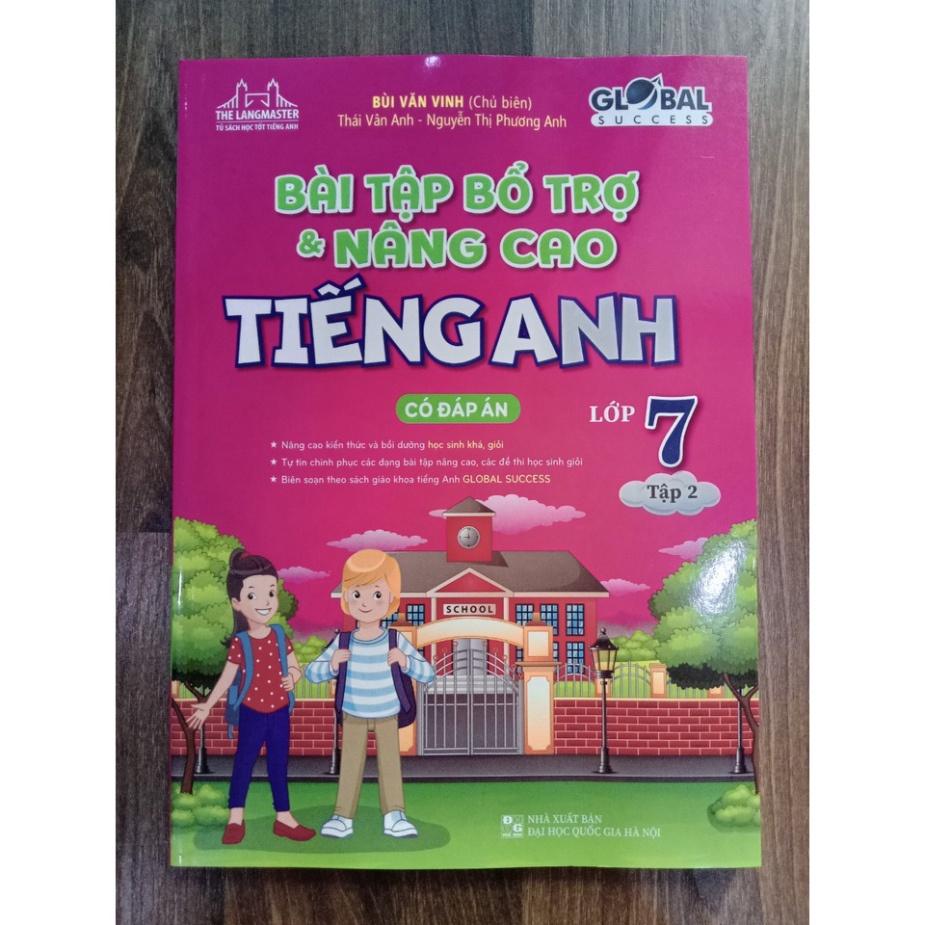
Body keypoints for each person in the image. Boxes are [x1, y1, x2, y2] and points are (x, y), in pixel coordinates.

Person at [189, 548, 315, 845]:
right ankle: (236, 818)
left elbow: (295, 667)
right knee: (244, 763)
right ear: (237, 602)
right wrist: (207, 705)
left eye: (270, 593)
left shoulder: (280, 635)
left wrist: (292, 677)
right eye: (253, 595)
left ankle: (284, 818)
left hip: (280, 712)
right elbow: (227, 677)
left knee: (278, 765)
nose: (264, 602)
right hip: (252, 712)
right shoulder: (241, 642)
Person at [306, 548, 435, 838]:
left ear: (391, 599)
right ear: (346, 598)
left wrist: (405, 661)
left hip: (388, 712)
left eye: (376, 594)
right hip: (353, 712)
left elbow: (428, 673)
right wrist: (332, 664)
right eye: (357, 594)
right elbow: (312, 673)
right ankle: (342, 817)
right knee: (351, 765)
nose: (365, 603)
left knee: (389, 765)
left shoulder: (394, 639)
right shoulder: (343, 641)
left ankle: (394, 815)